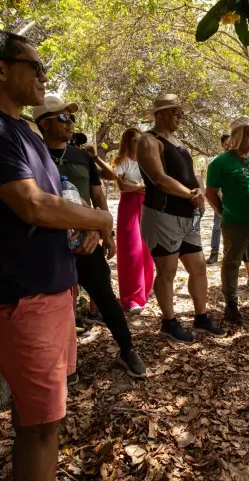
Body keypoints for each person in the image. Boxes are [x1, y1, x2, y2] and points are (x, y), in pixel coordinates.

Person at [0, 30, 110, 481]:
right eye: (35, 66)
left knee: (40, 416)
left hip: (51, 288)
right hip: (20, 297)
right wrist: (99, 219)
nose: (42, 76)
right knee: (41, 426)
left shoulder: (22, 131)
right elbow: (31, 205)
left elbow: (50, 204)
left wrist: (79, 231)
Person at [33, 97, 147, 378]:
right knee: (57, 304)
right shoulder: (32, 157)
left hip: (88, 241)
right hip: (49, 245)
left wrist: (104, 233)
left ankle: (127, 349)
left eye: (71, 119)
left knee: (106, 297)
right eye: (63, 118)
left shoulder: (81, 156)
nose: (71, 124)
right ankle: (65, 365)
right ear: (44, 123)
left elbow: (98, 196)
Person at [137, 94, 226, 343]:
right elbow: (158, 178)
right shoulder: (148, 140)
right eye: (176, 112)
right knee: (167, 271)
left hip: (188, 217)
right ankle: (169, 322)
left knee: (198, 268)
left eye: (180, 112)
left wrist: (198, 192)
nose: (180, 117)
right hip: (163, 215)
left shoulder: (178, 142)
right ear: (161, 113)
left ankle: (201, 317)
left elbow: (191, 175)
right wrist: (191, 194)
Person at [206, 116, 249, 323]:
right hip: (235, 224)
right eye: (248, 133)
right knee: (231, 262)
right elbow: (211, 193)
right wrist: (224, 213)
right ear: (237, 135)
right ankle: (231, 305)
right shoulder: (220, 162)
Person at [112, 127, 155, 313]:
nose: (139, 143)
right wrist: (139, 187)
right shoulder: (122, 162)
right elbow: (122, 185)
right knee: (131, 250)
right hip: (129, 206)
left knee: (147, 248)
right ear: (127, 142)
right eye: (135, 140)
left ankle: (145, 293)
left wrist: (137, 187)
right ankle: (130, 298)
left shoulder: (147, 162)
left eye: (140, 139)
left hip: (147, 206)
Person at [206, 134, 230, 265]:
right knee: (217, 227)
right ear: (222, 144)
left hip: (233, 202)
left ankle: (229, 253)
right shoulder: (217, 161)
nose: (229, 145)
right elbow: (212, 187)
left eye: (230, 142)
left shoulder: (238, 159)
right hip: (220, 200)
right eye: (226, 143)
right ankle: (214, 253)